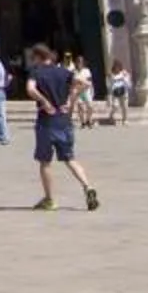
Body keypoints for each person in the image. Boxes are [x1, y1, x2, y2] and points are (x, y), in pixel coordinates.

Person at [24, 42, 101, 211]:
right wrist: (70, 100)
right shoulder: (63, 71)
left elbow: (30, 89)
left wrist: (43, 101)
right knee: (69, 158)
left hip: (47, 120)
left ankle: (50, 199)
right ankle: (88, 187)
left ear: (37, 57)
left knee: (45, 161)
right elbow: (85, 83)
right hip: (64, 120)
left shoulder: (36, 72)